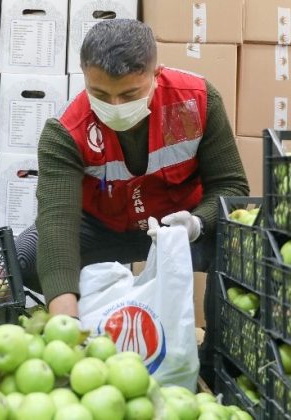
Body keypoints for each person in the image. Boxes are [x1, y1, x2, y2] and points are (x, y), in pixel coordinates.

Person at [15, 19, 248, 323]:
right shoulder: (66, 132)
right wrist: (66, 327)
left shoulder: (196, 102)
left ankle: (216, 356)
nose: (114, 106)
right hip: (100, 228)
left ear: (156, 73)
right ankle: (100, 320)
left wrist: (196, 224)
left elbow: (231, 187)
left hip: (177, 229)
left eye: (129, 95)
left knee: (240, 246)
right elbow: (58, 227)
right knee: (22, 258)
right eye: (99, 94)